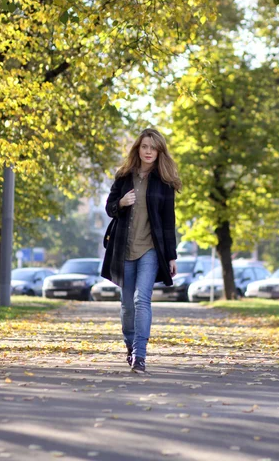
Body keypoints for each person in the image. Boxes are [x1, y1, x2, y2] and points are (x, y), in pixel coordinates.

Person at [101, 128, 182, 374]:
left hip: (150, 249)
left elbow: (169, 221)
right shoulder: (124, 176)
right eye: (145, 146)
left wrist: (171, 255)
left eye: (153, 148)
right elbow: (109, 208)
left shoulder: (164, 182)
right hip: (124, 248)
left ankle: (140, 354)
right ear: (138, 148)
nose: (148, 152)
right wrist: (121, 203)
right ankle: (129, 344)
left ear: (159, 152)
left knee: (141, 299)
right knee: (127, 305)